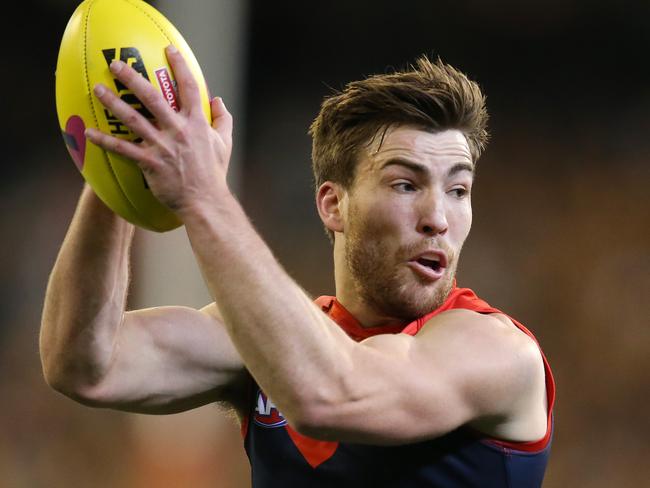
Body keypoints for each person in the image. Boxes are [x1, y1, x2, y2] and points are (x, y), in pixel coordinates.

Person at [40, 46, 555, 487]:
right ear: (333, 205)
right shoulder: (261, 339)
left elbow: (330, 394)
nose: (438, 218)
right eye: (405, 184)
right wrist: (121, 161)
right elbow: (85, 365)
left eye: (458, 189)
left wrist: (202, 195)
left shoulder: (500, 354)